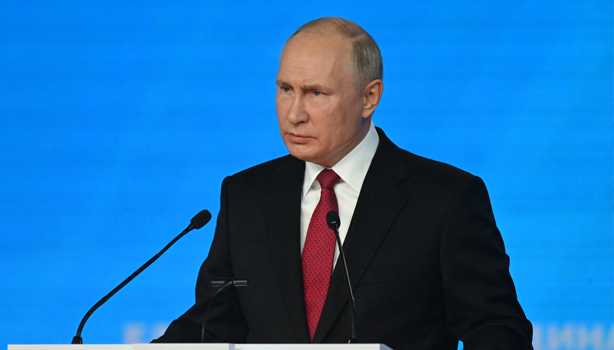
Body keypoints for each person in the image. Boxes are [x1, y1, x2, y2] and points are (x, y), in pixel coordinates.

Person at [153, 17, 533, 350]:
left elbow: (496, 327)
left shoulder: (444, 199)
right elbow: (210, 327)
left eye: (316, 93)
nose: (294, 113)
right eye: (286, 89)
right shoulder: (247, 196)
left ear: (369, 97)